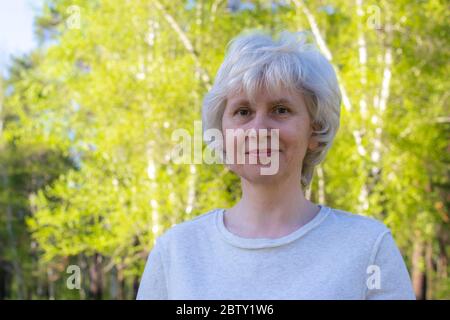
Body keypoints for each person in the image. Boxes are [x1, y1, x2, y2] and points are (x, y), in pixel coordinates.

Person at [136, 29, 415, 300]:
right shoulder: (175, 253)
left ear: (314, 131)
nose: (258, 129)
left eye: (281, 110)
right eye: (242, 112)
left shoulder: (368, 248)